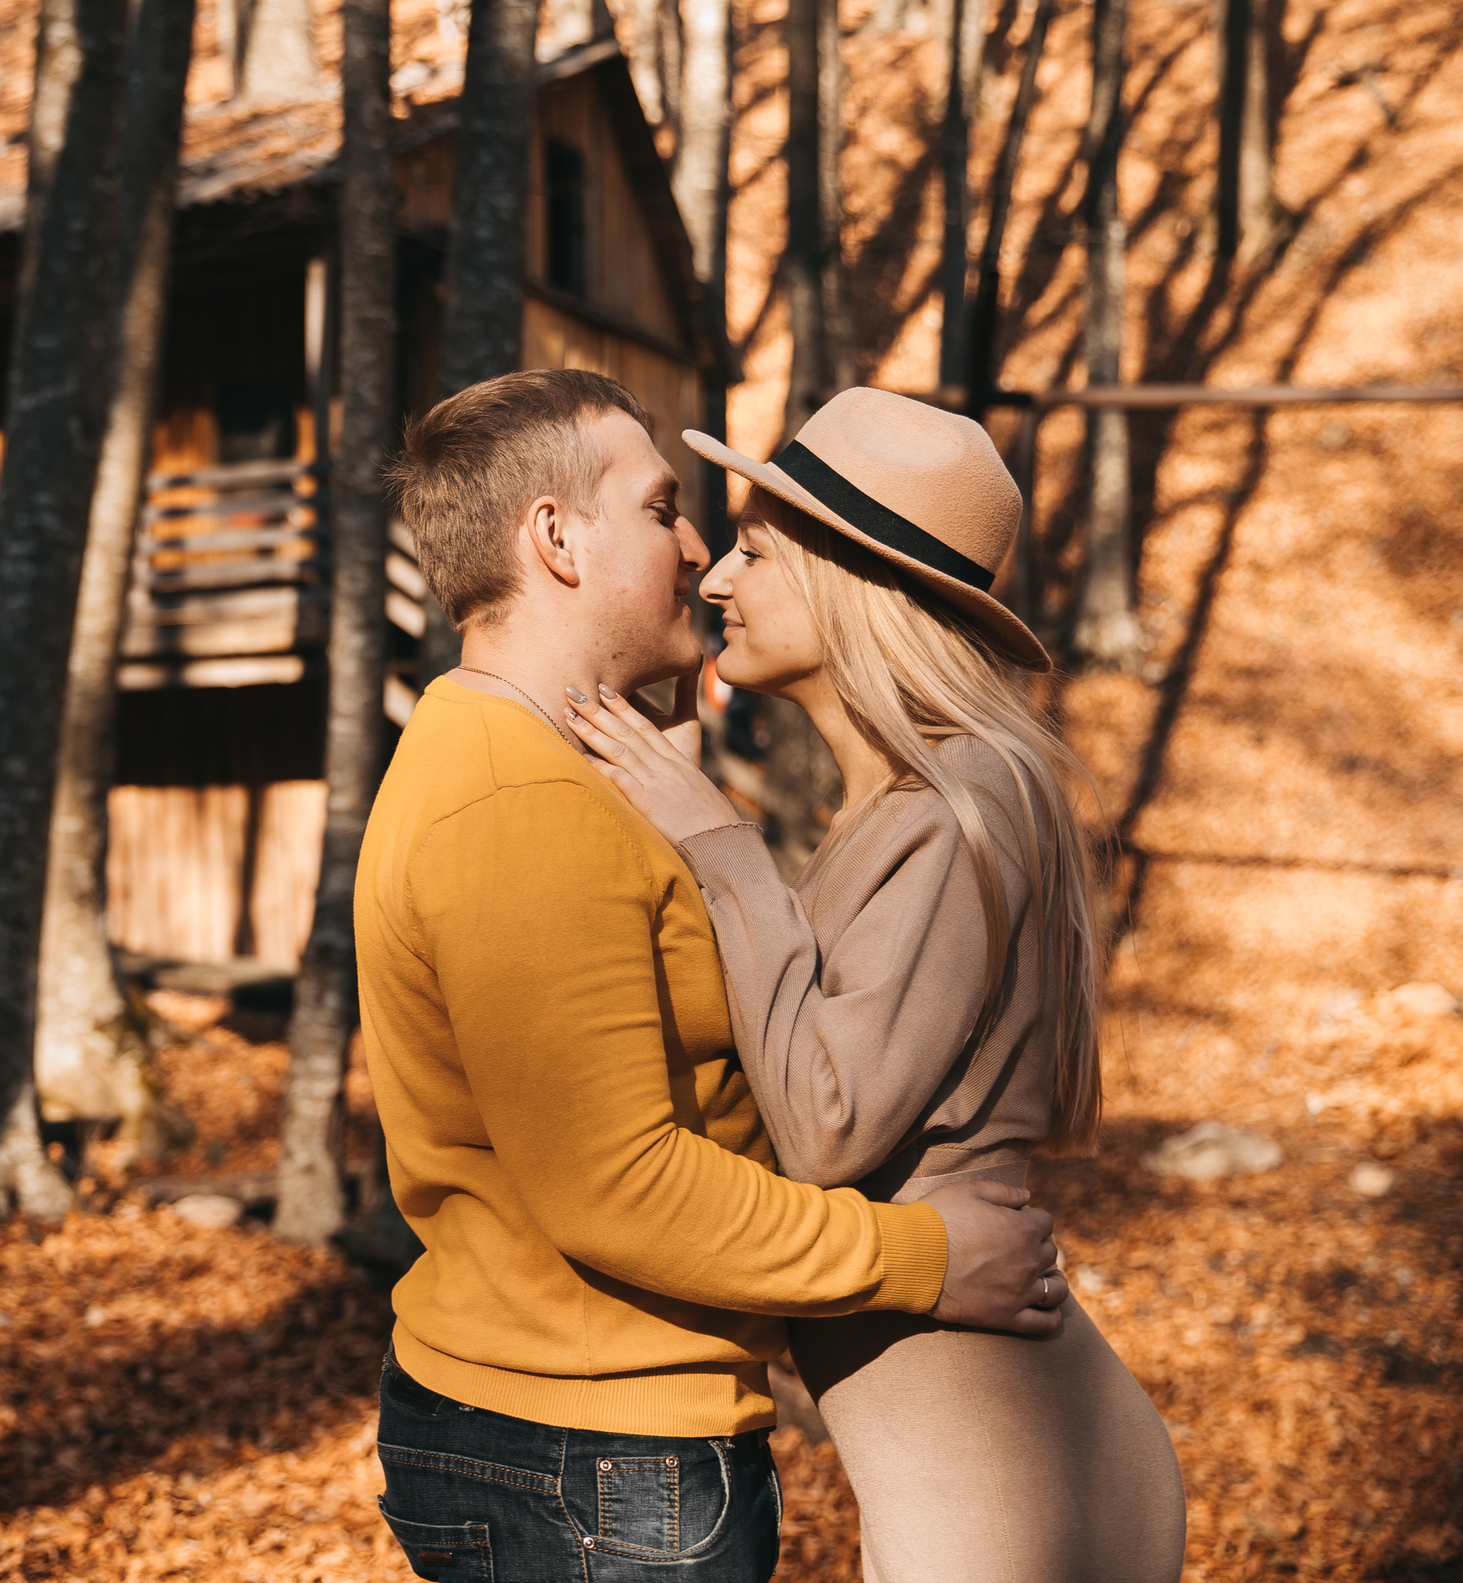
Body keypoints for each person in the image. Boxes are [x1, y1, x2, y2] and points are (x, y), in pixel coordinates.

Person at [358, 370, 1067, 1583]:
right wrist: (928, 1260)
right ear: (555, 539)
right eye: (662, 509)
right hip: (590, 1451)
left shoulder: (549, 771)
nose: (695, 551)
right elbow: (623, 1190)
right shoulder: (521, 802)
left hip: (591, 1441)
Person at [561, 387, 1186, 1583]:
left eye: (754, 550)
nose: (715, 580)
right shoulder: (906, 805)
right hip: (1002, 1452)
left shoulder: (960, 805)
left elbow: (829, 1124)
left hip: (1003, 1485)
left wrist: (715, 838)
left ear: (855, 585)